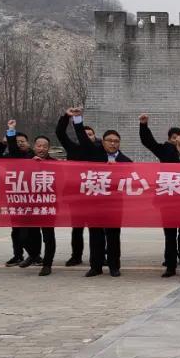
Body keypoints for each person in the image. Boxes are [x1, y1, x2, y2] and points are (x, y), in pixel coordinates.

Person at [140, 114, 180, 277]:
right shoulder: (166, 150)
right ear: (177, 138)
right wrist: (144, 125)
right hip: (167, 200)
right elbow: (148, 143)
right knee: (170, 235)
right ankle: (171, 267)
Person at [75, 121, 131, 277]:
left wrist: (118, 170)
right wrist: (77, 119)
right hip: (94, 203)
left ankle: (114, 266)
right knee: (95, 235)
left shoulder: (125, 161)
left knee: (113, 236)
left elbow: (130, 182)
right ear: (103, 141)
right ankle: (96, 266)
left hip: (114, 205)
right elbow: (82, 138)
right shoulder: (94, 154)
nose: (113, 144)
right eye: (109, 141)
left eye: (116, 141)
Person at [56, 107, 100, 267]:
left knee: (97, 230)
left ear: (95, 137)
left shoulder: (98, 150)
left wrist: (78, 120)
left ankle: (99, 257)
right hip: (75, 195)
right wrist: (66, 117)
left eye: (90, 135)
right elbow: (60, 133)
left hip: (95, 195)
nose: (87, 137)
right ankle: (76, 256)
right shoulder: (73, 148)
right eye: (85, 134)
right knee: (77, 228)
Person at [0, 120, 32, 266]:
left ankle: (35, 255)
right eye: (16, 141)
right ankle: (18, 255)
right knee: (16, 230)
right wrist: (4, 142)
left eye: (23, 141)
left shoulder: (33, 156)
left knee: (30, 231)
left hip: (32, 198)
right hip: (14, 197)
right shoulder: (10, 157)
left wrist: (11, 132)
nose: (20, 144)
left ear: (28, 143)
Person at [21, 135, 58, 276]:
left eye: (44, 146)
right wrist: (30, 164)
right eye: (39, 145)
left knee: (48, 236)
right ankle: (34, 255)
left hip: (48, 205)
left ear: (48, 148)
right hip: (29, 204)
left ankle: (47, 264)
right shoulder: (24, 160)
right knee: (24, 236)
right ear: (34, 146)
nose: (41, 148)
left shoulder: (54, 163)